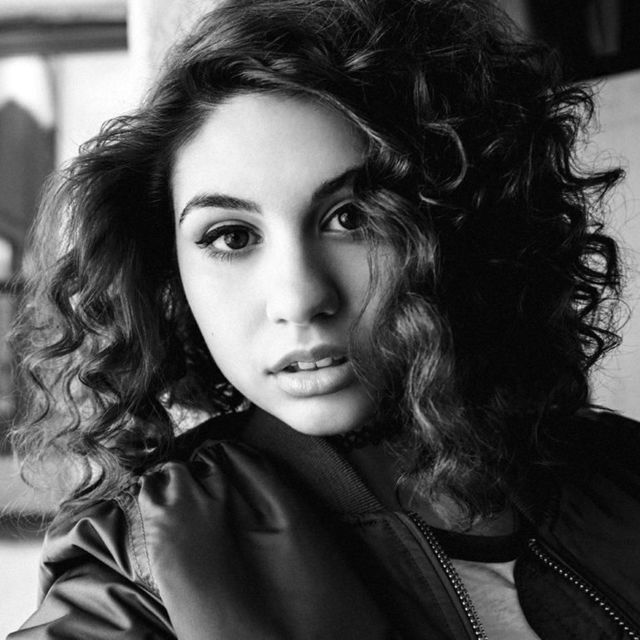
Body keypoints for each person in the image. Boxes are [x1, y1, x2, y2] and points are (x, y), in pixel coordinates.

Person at [8, 0, 640, 638]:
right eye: (230, 236)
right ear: (170, 272)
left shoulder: (622, 474)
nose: (298, 298)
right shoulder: (142, 566)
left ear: (462, 221)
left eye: (352, 218)